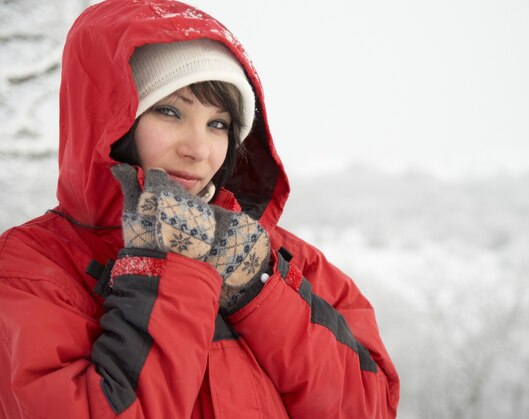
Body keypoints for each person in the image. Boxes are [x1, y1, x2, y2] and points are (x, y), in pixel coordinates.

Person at [0, 0, 400, 417]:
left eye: (218, 124)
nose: (197, 149)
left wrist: (260, 290)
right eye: (169, 111)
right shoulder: (30, 269)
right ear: (111, 121)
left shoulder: (287, 261)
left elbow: (368, 408)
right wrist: (167, 271)